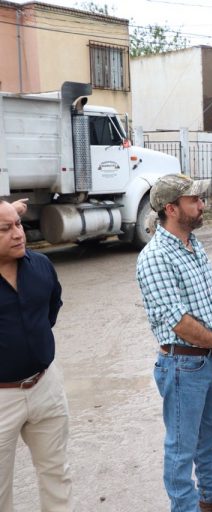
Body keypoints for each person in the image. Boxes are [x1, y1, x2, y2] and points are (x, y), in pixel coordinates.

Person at [135, 174, 212, 512]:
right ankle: (185, 508)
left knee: (209, 436)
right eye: (194, 201)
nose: (202, 206)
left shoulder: (191, 244)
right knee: (181, 447)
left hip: (206, 360)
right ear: (171, 208)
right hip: (182, 364)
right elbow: (178, 322)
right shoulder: (155, 257)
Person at [0, 200, 73, 512]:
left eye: (18, 224)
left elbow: (50, 312)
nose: (18, 234)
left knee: (57, 473)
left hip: (46, 387)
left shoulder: (41, 265)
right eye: (6, 229)